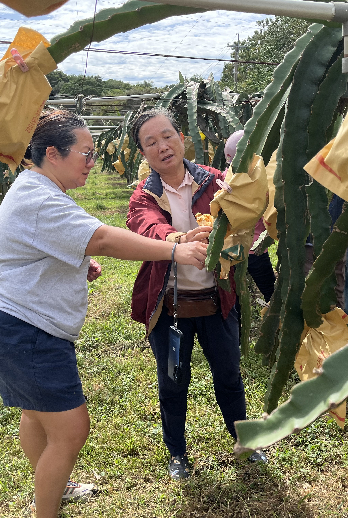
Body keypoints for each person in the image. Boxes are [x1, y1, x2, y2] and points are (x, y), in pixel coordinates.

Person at [0, 110, 207, 518]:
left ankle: (54, 487)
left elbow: (32, 250)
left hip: (15, 326)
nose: (93, 161)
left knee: (37, 417)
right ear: (53, 153)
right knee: (70, 431)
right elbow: (101, 238)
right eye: (86, 153)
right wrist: (176, 249)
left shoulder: (36, 189)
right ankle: (44, 511)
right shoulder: (39, 197)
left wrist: (73, 264)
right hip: (28, 332)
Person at [126, 109, 266, 481]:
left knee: (230, 375)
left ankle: (245, 442)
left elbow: (249, 221)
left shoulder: (217, 181)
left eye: (167, 135)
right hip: (170, 307)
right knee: (173, 381)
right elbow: (146, 227)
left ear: (182, 136)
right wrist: (177, 240)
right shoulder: (144, 196)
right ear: (143, 153)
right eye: (150, 142)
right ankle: (177, 454)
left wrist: (246, 234)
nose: (162, 146)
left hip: (216, 301)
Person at [224, 130, 275, 302]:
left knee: (236, 296)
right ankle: (276, 322)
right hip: (256, 248)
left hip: (231, 247)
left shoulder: (225, 179)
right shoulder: (261, 179)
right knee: (271, 293)